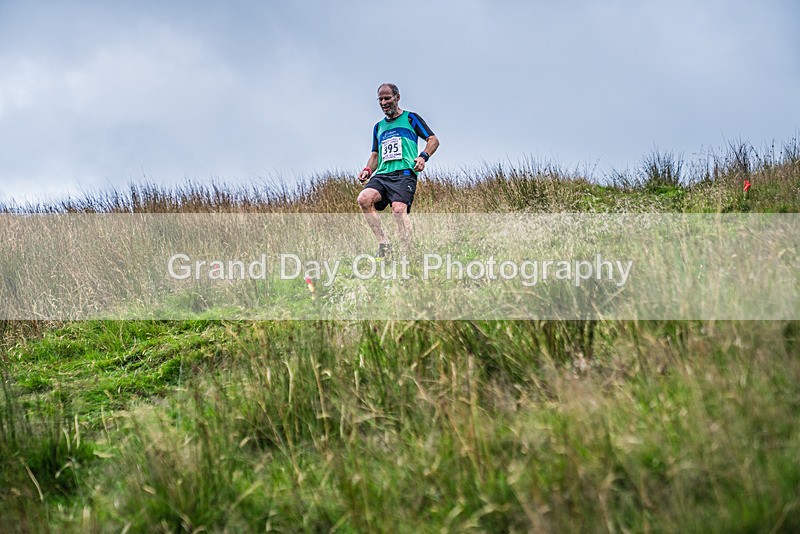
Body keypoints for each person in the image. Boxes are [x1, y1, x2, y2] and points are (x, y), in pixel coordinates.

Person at [357, 83, 439, 258]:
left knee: (399, 211)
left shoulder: (411, 118)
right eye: (380, 99)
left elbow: (433, 139)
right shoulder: (378, 127)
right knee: (364, 199)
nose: (384, 102)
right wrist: (367, 170)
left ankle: (409, 253)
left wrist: (423, 156)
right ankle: (384, 244)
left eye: (387, 98)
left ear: (397, 97)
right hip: (382, 174)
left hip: (404, 174)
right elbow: (375, 155)